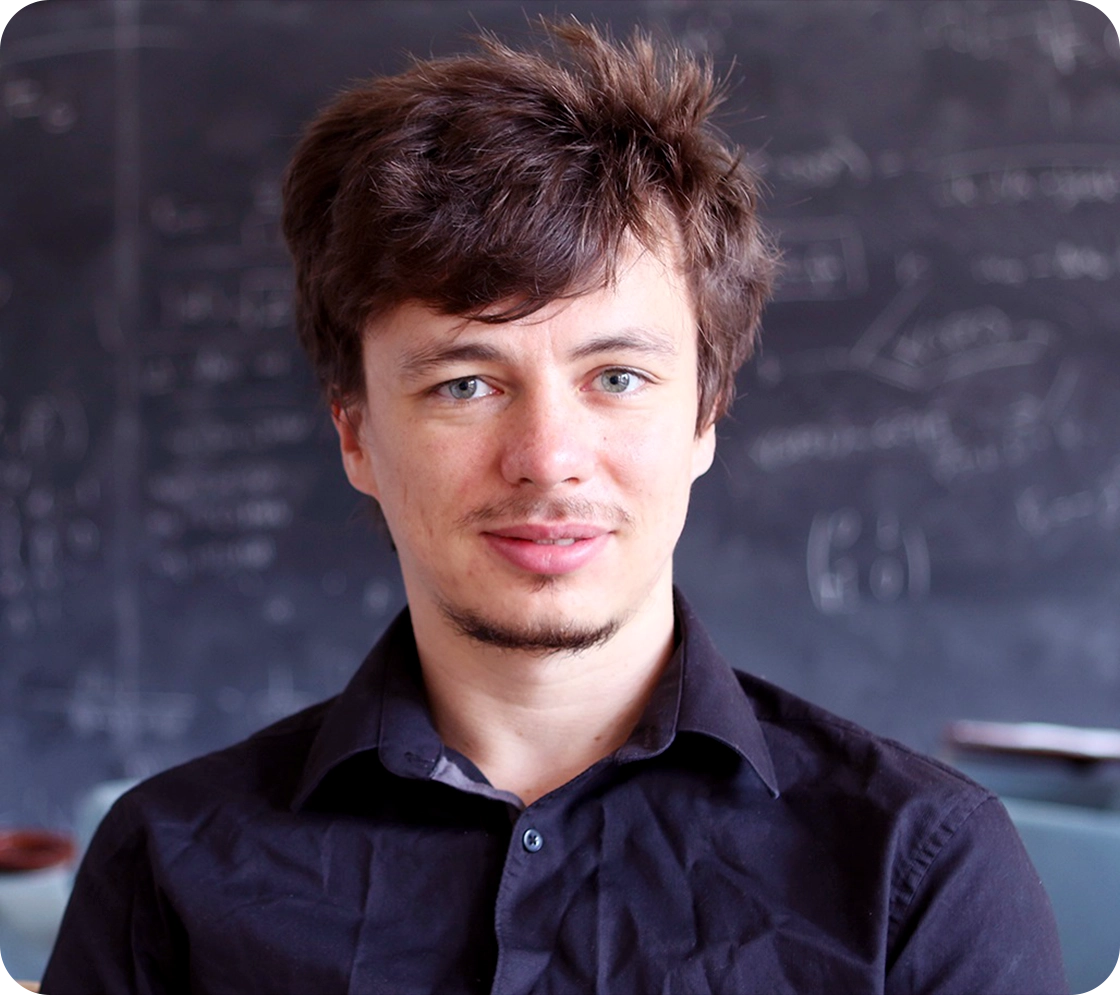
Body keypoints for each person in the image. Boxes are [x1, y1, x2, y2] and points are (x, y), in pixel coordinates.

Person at [43, 19, 1067, 994]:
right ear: (355, 431)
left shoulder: (917, 866)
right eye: (465, 383)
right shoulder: (164, 866)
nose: (547, 459)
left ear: (704, 416)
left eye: (616, 376)